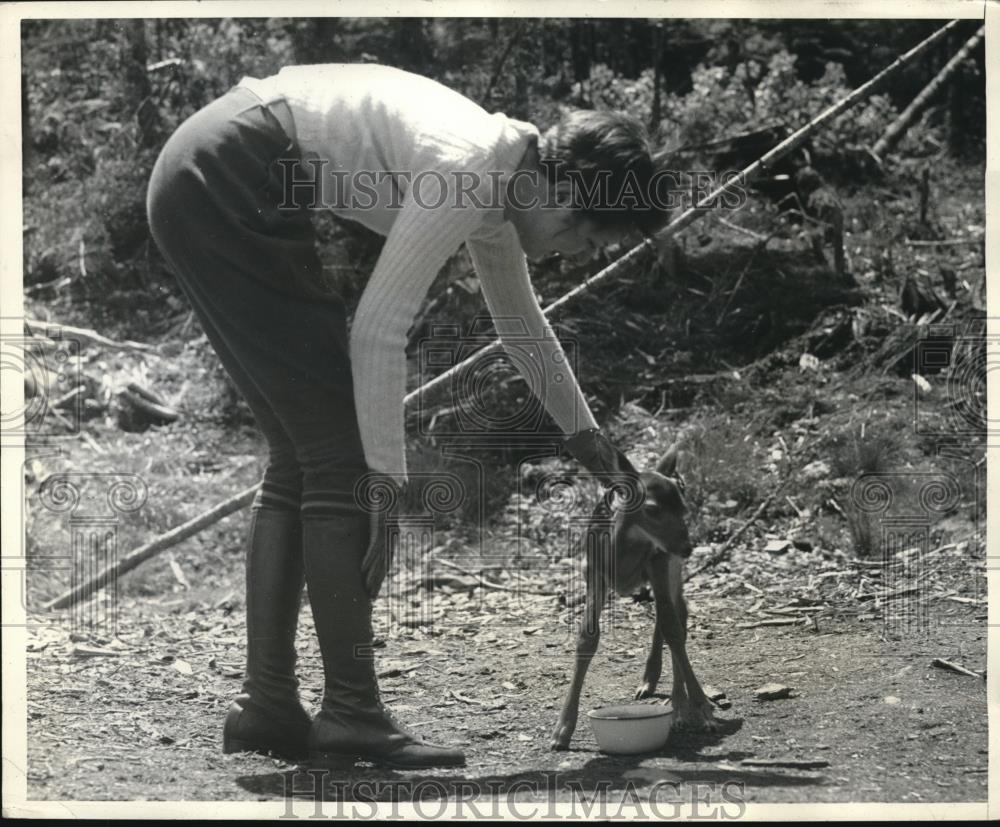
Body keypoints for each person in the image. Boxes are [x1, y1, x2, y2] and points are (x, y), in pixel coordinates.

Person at [146, 62, 668, 769]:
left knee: (304, 453)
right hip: (232, 169)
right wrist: (385, 488)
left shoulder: (499, 184)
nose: (576, 255)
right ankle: (352, 713)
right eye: (586, 238)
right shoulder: (470, 167)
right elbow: (378, 330)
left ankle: (269, 702)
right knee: (342, 459)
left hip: (205, 168)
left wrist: (588, 442)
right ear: (567, 193)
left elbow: (522, 330)